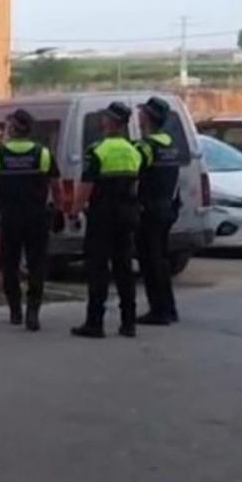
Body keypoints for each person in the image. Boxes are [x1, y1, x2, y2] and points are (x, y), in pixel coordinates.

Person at [0, 108, 62, 331]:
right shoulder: (43, 154)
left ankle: (15, 310)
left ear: (12, 129)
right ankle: (33, 311)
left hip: (9, 218)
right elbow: (56, 186)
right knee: (36, 264)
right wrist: (59, 210)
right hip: (37, 217)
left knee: (9, 265)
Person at [71, 101, 144, 339]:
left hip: (102, 216)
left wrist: (74, 210)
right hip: (127, 215)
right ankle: (129, 322)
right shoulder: (135, 151)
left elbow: (86, 186)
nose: (102, 121)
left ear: (110, 122)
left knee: (98, 270)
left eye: (105, 118)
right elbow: (137, 182)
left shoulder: (98, 151)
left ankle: (95, 323)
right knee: (124, 269)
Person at [135, 97, 182, 326]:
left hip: (149, 210)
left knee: (150, 261)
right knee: (161, 260)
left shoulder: (146, 147)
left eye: (142, 112)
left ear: (149, 117)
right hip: (167, 208)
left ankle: (159, 311)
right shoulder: (170, 144)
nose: (139, 116)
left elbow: (132, 175)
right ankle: (168, 308)